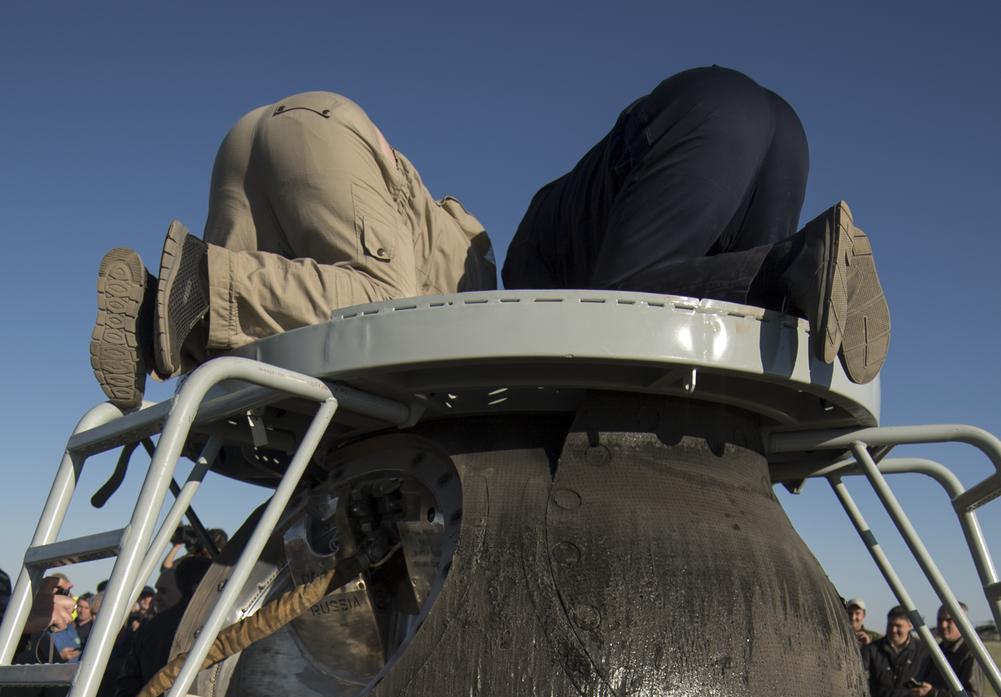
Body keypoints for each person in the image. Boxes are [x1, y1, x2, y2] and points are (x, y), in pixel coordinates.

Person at [89, 68, 889, 413]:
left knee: (753, 342)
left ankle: (802, 270)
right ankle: (181, 291)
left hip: (258, 142)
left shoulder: (549, 227)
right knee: (379, 312)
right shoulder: (508, 270)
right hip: (324, 137)